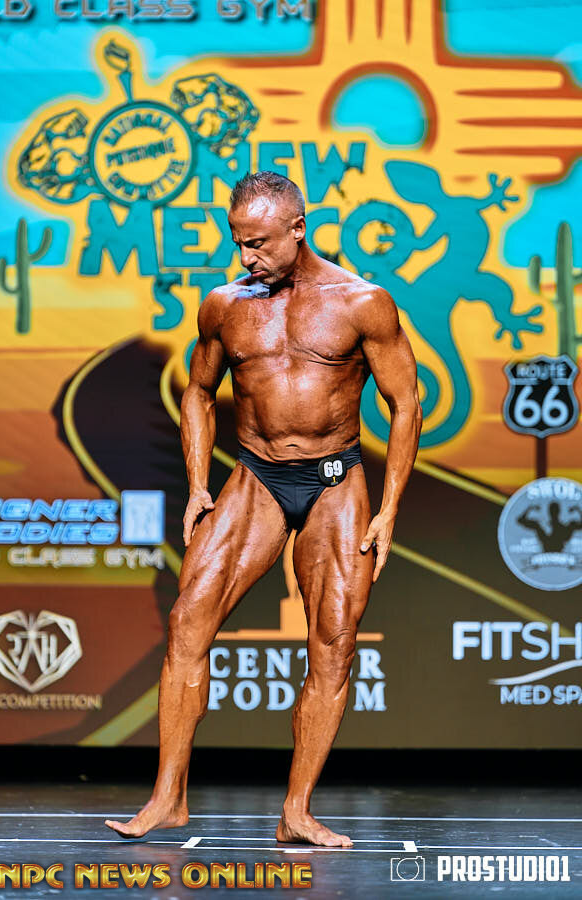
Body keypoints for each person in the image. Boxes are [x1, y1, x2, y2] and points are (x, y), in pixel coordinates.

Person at [106, 171, 422, 847]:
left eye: (258, 243)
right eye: (239, 242)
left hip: (335, 480)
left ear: (297, 229)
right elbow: (198, 391)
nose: (246, 256)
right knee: (188, 621)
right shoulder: (225, 305)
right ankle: (167, 798)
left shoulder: (363, 302)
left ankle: (296, 811)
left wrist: (389, 508)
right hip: (257, 475)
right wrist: (198, 485)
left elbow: (405, 403)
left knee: (333, 643)